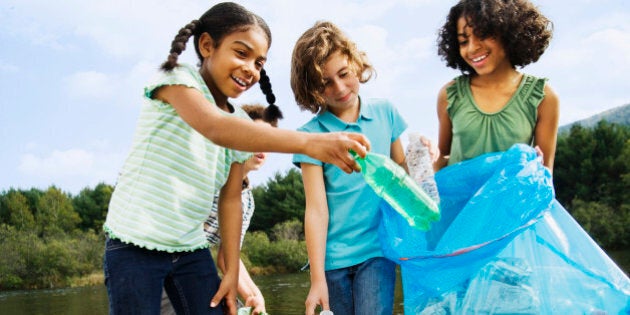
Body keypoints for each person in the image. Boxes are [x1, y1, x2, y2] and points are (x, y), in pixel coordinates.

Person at [102, 3, 370, 315]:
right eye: (241, 54)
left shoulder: (240, 119)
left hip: (190, 248)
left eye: (259, 63)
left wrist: (230, 272)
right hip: (134, 244)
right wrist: (310, 143)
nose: (251, 69)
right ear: (206, 46)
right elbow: (215, 127)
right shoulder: (176, 79)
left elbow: (231, 199)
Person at [291, 21, 407, 315]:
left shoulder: (386, 112)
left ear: (356, 64)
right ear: (312, 89)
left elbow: (403, 175)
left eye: (344, 74)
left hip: (377, 251)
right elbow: (316, 210)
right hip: (332, 262)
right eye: (326, 82)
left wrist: (428, 154)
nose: (339, 88)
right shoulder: (310, 136)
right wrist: (317, 278)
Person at [160, 104, 280, 315]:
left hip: (191, 271)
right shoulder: (208, 174)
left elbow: (227, 258)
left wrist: (253, 293)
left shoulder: (247, 201)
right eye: (256, 136)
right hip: (159, 268)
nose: (263, 145)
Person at [434, 0, 559, 172]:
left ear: (509, 32)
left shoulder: (542, 97)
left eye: (482, 35)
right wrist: (425, 159)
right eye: (463, 41)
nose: (472, 48)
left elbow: (545, 172)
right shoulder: (450, 94)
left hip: (512, 198)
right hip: (459, 199)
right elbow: (442, 158)